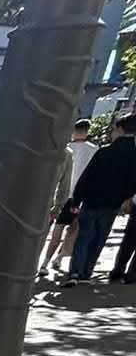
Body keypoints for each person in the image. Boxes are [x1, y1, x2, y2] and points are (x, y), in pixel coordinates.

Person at [64, 114, 136, 284]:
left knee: (84, 237)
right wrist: (126, 199)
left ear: (119, 129)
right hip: (113, 204)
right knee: (99, 238)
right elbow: (133, 181)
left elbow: (86, 177)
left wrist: (76, 200)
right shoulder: (133, 156)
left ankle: (75, 272)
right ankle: (87, 272)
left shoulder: (104, 152)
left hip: (91, 200)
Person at [40, 118, 96, 279]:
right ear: (87, 131)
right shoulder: (94, 150)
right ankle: (58, 258)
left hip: (62, 196)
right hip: (79, 198)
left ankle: (45, 262)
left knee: (55, 231)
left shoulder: (64, 149)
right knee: (72, 231)